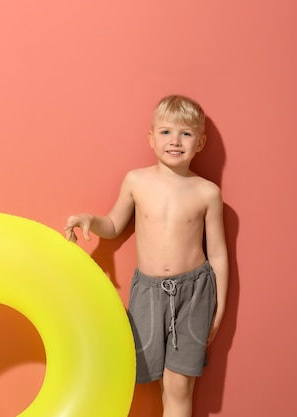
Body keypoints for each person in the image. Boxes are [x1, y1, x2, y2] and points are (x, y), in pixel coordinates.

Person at [64, 95, 228, 417]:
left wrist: (219, 309)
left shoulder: (207, 192)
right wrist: (90, 221)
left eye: (185, 134)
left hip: (194, 293)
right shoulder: (136, 181)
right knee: (148, 381)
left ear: (200, 142)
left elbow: (219, 254)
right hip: (148, 293)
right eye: (166, 132)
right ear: (151, 138)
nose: (175, 141)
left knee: (179, 385)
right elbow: (113, 224)